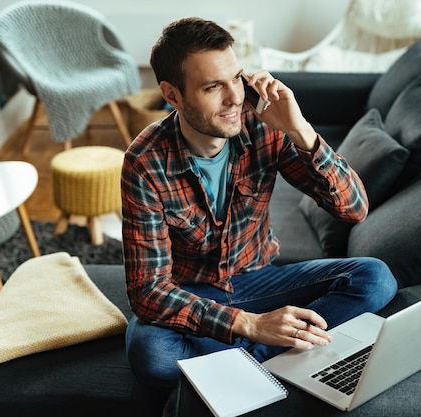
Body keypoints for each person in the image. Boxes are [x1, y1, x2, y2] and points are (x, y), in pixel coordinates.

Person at [121, 17, 398, 389]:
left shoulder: (264, 125)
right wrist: (251, 325)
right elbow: (148, 291)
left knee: (375, 278)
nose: (235, 97)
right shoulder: (145, 161)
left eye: (236, 78)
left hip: (259, 280)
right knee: (154, 358)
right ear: (172, 95)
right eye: (213, 86)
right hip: (190, 291)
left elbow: (354, 209)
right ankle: (277, 355)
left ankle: (241, 363)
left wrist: (300, 129)